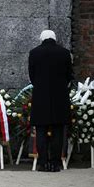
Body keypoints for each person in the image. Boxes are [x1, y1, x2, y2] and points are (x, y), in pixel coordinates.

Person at [28, 30, 73, 172]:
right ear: (54, 38)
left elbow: (32, 76)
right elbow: (69, 75)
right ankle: (55, 163)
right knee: (58, 131)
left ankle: (42, 163)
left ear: (42, 39)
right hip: (60, 97)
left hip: (41, 97)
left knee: (40, 130)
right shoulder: (65, 53)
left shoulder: (34, 53)